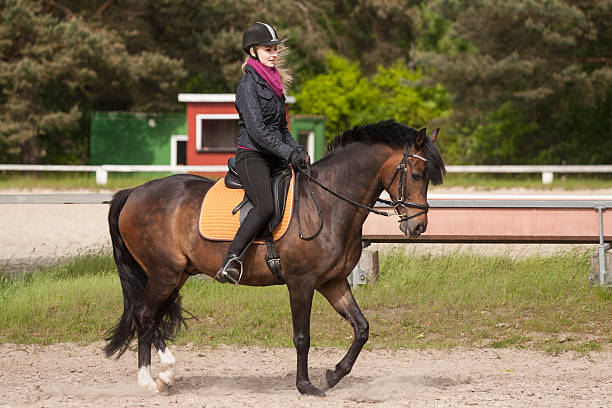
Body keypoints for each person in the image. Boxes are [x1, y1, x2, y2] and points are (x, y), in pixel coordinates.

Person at [215, 22, 310, 284]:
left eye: (275, 49)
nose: (274, 54)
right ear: (253, 52)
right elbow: (257, 131)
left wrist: (297, 151)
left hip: (274, 155)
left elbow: (282, 128)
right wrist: (286, 153)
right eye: (268, 49)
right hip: (252, 155)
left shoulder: (275, 85)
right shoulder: (247, 86)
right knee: (265, 205)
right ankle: (231, 260)